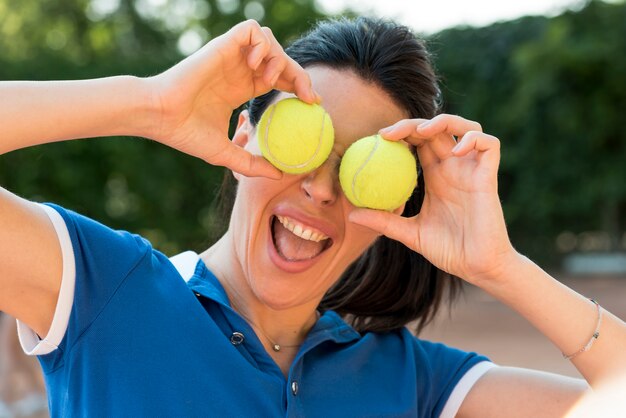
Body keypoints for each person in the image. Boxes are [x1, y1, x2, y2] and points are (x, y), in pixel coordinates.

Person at [1, 17, 625, 417]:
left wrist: (500, 265)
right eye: (301, 148)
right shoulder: (106, 292)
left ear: (393, 202)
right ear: (242, 136)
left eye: (357, 168)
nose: (322, 190)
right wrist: (150, 103)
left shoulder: (412, 383)